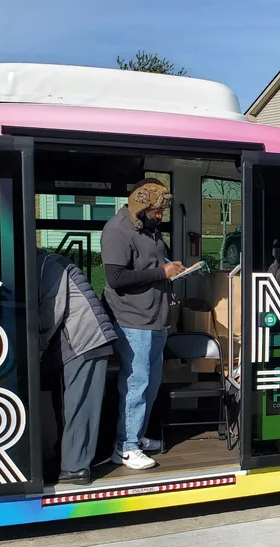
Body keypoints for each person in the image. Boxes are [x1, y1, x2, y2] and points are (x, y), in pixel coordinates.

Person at [101, 178, 181, 471]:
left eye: (162, 210)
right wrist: (162, 272)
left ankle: (136, 436)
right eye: (156, 210)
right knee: (136, 383)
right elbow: (116, 278)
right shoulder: (117, 231)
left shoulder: (149, 230)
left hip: (156, 318)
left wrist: (171, 270)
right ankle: (125, 447)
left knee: (151, 384)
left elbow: (151, 267)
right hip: (133, 320)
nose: (160, 215)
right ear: (140, 203)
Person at [36, 249, 118, 486]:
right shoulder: (47, 264)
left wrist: (36, 347)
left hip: (85, 340)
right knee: (69, 403)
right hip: (80, 340)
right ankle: (68, 457)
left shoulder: (48, 267)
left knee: (79, 405)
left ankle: (76, 467)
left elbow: (51, 312)